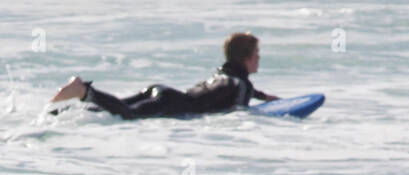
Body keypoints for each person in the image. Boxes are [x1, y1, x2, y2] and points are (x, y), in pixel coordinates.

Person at [49, 32, 278, 119]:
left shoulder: (226, 76)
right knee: (126, 115)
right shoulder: (240, 85)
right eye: (257, 53)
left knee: (112, 109)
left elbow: (236, 87)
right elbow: (239, 112)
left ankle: (58, 113)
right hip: (174, 104)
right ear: (245, 58)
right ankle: (84, 91)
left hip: (164, 92)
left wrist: (263, 96)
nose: (259, 57)